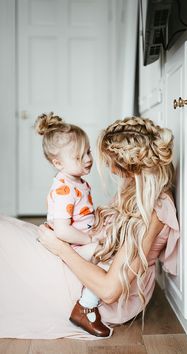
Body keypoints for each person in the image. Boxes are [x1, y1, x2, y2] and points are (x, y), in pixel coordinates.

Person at [0, 116, 180, 340]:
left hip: (95, 292)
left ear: (132, 165)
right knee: (8, 230)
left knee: (5, 240)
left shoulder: (153, 210)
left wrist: (60, 248)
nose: (111, 170)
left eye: (113, 162)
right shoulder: (134, 190)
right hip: (87, 257)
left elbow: (108, 290)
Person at [34, 112, 110, 337]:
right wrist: (90, 239)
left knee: (113, 238)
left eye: (87, 151)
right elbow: (62, 230)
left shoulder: (77, 181)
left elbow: (82, 215)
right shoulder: (63, 189)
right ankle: (85, 306)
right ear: (58, 163)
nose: (87, 159)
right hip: (72, 245)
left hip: (81, 237)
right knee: (107, 253)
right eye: (79, 157)